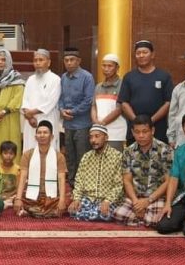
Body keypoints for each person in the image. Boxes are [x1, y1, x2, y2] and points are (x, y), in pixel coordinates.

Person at [112, 116, 173, 227]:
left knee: (158, 221)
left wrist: (148, 201)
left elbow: (168, 181)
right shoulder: (128, 151)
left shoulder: (165, 150)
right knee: (117, 214)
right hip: (135, 197)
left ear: (152, 131)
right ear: (132, 132)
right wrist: (136, 202)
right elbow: (127, 180)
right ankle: (143, 218)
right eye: (137, 132)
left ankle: (140, 219)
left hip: (155, 196)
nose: (141, 136)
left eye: (145, 132)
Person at [118, 40, 173, 144]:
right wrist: (137, 122)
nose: (141, 55)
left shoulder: (164, 76)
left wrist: (151, 121)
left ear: (152, 55)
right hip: (135, 130)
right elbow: (124, 102)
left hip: (158, 128)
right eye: (138, 53)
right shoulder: (129, 77)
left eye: (145, 52)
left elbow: (168, 102)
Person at [67, 125, 124, 222]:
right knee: (72, 210)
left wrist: (107, 201)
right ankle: (92, 214)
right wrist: (77, 199)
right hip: (89, 198)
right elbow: (79, 181)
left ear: (106, 137)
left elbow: (119, 185)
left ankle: (89, 214)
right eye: (91, 137)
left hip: (108, 199)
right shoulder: (87, 157)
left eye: (97, 136)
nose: (93, 140)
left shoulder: (117, 156)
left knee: (107, 214)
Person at [14, 120, 68, 218]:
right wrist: (18, 198)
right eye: (39, 133)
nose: (42, 135)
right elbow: (23, 177)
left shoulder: (59, 156)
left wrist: (62, 201)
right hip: (33, 196)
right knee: (19, 198)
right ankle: (46, 212)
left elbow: (61, 179)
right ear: (35, 137)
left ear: (51, 137)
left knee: (68, 199)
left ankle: (35, 211)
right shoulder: (27, 155)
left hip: (51, 196)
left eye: (45, 133)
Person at [58, 46, 95, 187]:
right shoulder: (63, 77)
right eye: (66, 60)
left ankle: (83, 185)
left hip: (82, 124)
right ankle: (72, 184)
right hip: (68, 125)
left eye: (72, 60)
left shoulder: (87, 77)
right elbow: (60, 97)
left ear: (79, 61)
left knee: (82, 156)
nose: (69, 63)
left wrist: (71, 112)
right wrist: (61, 110)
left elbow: (88, 101)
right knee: (70, 156)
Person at [20, 49, 61, 152]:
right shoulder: (30, 79)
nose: (37, 63)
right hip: (30, 122)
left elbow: (51, 102)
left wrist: (31, 113)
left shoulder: (55, 79)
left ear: (49, 62)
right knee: (30, 150)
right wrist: (30, 117)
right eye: (35, 60)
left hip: (47, 118)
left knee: (49, 152)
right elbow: (25, 100)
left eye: (41, 60)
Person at [91, 53, 126, 151]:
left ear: (117, 67)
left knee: (115, 161)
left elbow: (119, 109)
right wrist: (95, 121)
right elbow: (94, 106)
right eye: (104, 66)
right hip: (98, 131)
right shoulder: (98, 86)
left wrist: (103, 122)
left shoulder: (122, 85)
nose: (106, 69)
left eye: (110, 66)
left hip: (116, 132)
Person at [0, 140, 20, 207]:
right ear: (0, 154)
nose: (8, 156)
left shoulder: (18, 169)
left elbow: (18, 187)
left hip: (12, 196)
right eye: (5, 153)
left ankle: (6, 203)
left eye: (11, 154)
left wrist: (11, 196)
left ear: (15, 155)